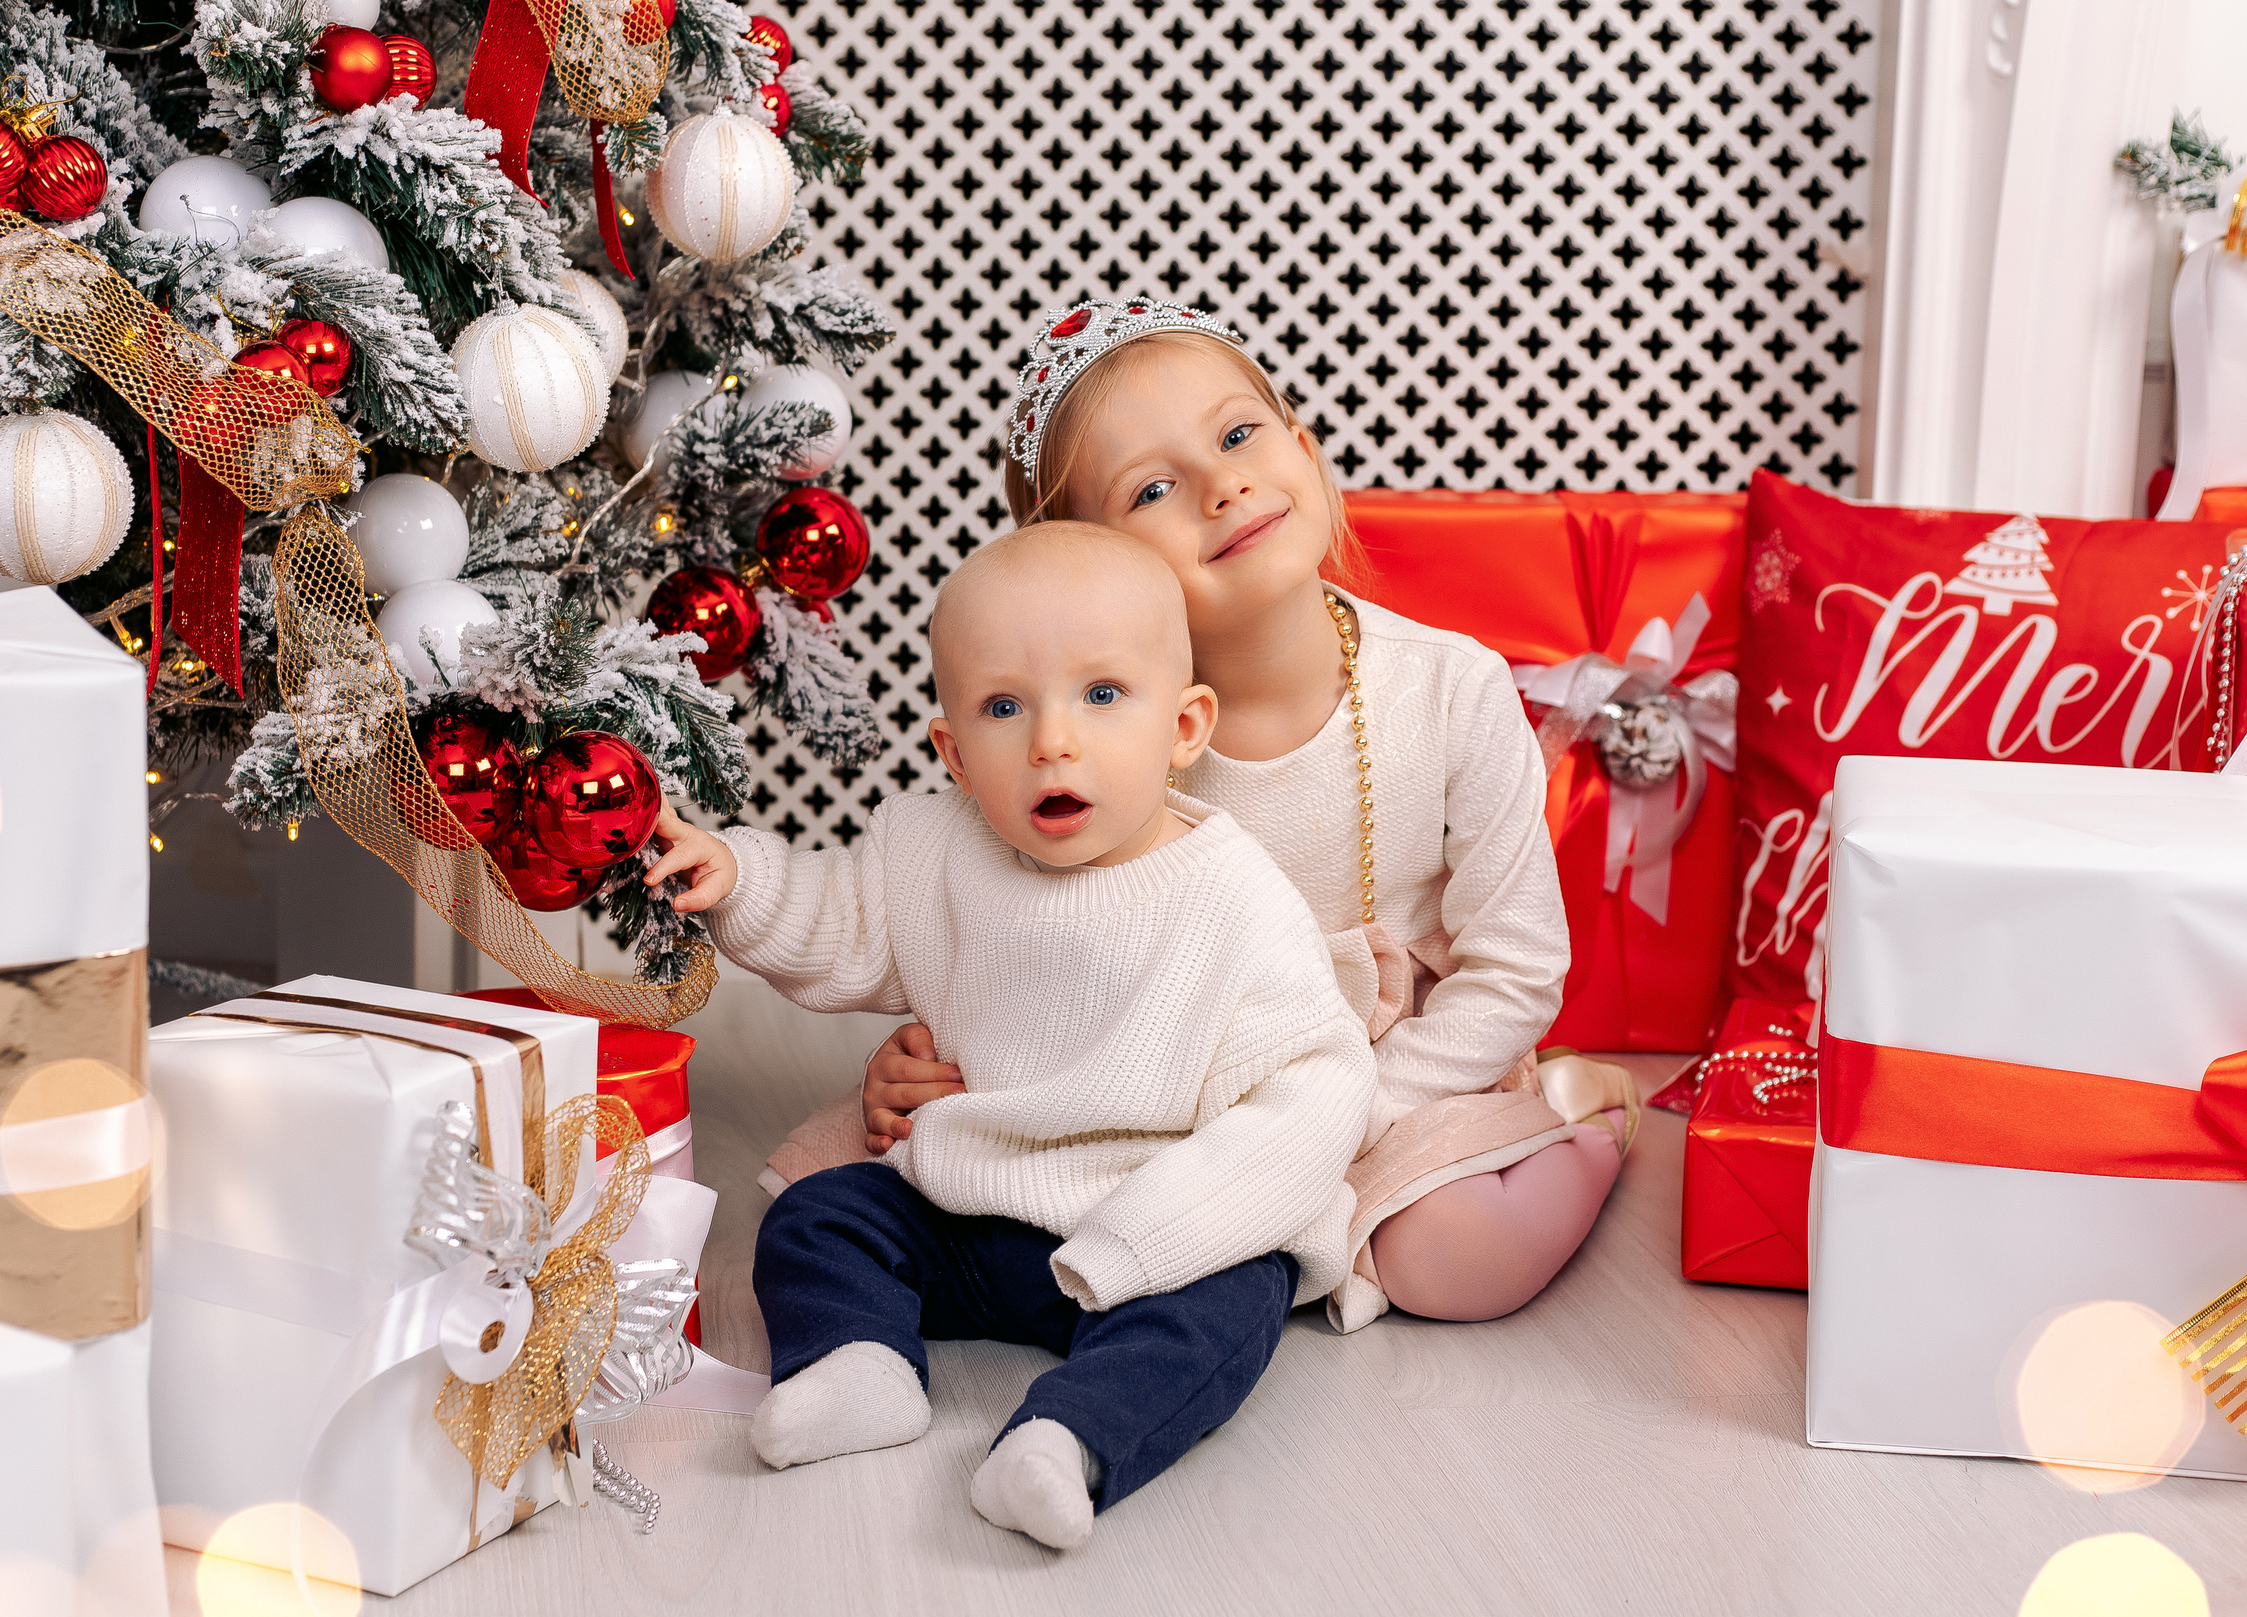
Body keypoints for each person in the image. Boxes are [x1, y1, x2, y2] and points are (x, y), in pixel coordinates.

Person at [837, 296, 1638, 1332]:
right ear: (1090, 562)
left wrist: (1333, 1120)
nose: (1225, 486)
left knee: (1448, 1260)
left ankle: (1591, 1121)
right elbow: (994, 924)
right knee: (931, 1201)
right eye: (1156, 488)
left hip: (1397, 1071)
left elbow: (1515, 971)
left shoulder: (1451, 690)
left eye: (1239, 435)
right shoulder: (1075, 742)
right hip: (1160, 1085)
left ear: (1300, 449)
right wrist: (925, 1051)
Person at [647, 521, 1374, 1550]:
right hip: (975, 1206)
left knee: (1234, 1304)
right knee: (818, 1220)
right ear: (953, 751)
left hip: (1148, 1226)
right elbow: (840, 922)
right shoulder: (938, 846)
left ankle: (1066, 1441)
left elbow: (1314, 1091)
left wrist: (1150, 1237)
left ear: (1185, 725)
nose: (1052, 741)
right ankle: (858, 1366)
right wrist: (740, 878)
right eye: (1002, 707)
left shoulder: (1232, 898)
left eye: (1104, 695)